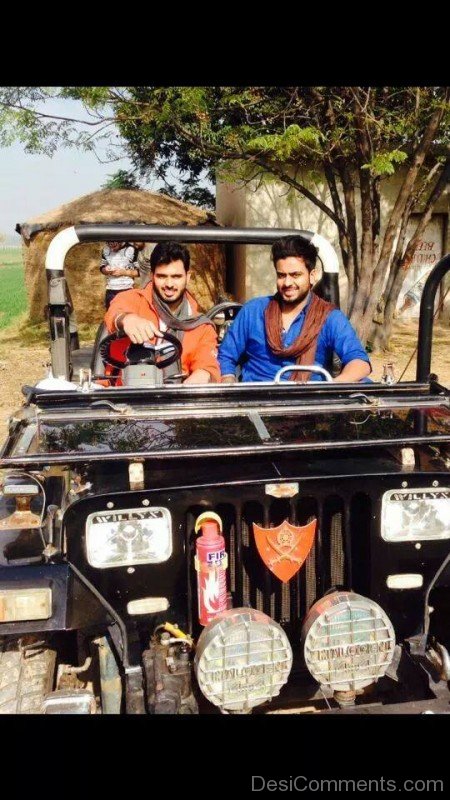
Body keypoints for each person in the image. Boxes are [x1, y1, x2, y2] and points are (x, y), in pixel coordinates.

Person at [219, 236, 371, 383]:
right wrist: (229, 383)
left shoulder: (329, 317)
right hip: (255, 402)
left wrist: (334, 386)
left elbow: (359, 363)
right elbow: (226, 356)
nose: (287, 282)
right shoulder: (253, 311)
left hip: (308, 401)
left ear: (312, 276)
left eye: (295, 275)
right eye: (281, 275)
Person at [104, 241, 220, 384]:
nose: (169, 284)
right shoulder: (133, 299)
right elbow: (116, 311)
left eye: (176, 276)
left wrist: (202, 376)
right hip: (122, 396)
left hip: (175, 399)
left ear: (188, 277)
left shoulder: (201, 327)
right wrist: (127, 319)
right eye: (162, 276)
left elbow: (208, 366)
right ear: (152, 276)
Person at [100, 241, 140, 309]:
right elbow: (102, 267)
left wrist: (123, 272)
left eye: (114, 246)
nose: (112, 249)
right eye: (110, 246)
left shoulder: (131, 249)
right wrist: (106, 270)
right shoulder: (106, 250)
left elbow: (140, 272)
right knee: (111, 314)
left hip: (127, 289)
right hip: (111, 289)